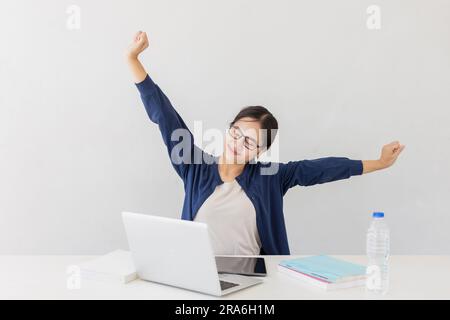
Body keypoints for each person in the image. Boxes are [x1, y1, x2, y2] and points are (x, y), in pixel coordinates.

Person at [125, 31, 405, 255]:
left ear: (260, 151)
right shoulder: (194, 166)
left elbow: (322, 169)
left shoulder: (271, 177)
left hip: (256, 280)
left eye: (250, 142)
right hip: (197, 277)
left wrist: (379, 163)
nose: (238, 143)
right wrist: (133, 59)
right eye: (236, 133)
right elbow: (165, 116)